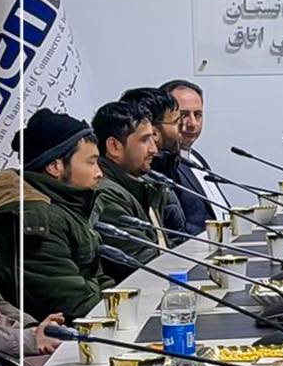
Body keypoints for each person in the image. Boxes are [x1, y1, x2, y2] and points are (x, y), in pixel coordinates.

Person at [0, 109, 113, 320]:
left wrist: (96, 287)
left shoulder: (66, 206)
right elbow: (75, 305)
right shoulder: (36, 218)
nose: (99, 173)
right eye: (91, 162)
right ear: (54, 166)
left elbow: (100, 280)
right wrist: (97, 288)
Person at [93, 101, 174, 280]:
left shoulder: (146, 184)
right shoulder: (105, 194)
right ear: (114, 146)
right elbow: (142, 261)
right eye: (145, 140)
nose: (154, 149)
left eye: (153, 138)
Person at [158, 78, 224, 235]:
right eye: (183, 115)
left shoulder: (196, 157)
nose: (192, 123)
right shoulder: (161, 164)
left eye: (198, 114)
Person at [119, 86, 187, 233]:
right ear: (153, 132)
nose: (183, 128)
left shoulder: (172, 164)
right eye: (176, 122)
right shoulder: (136, 176)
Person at [0, 283, 64, 366]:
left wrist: (33, 326)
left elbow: (0, 303)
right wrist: (32, 339)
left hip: (17, 338)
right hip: (5, 356)